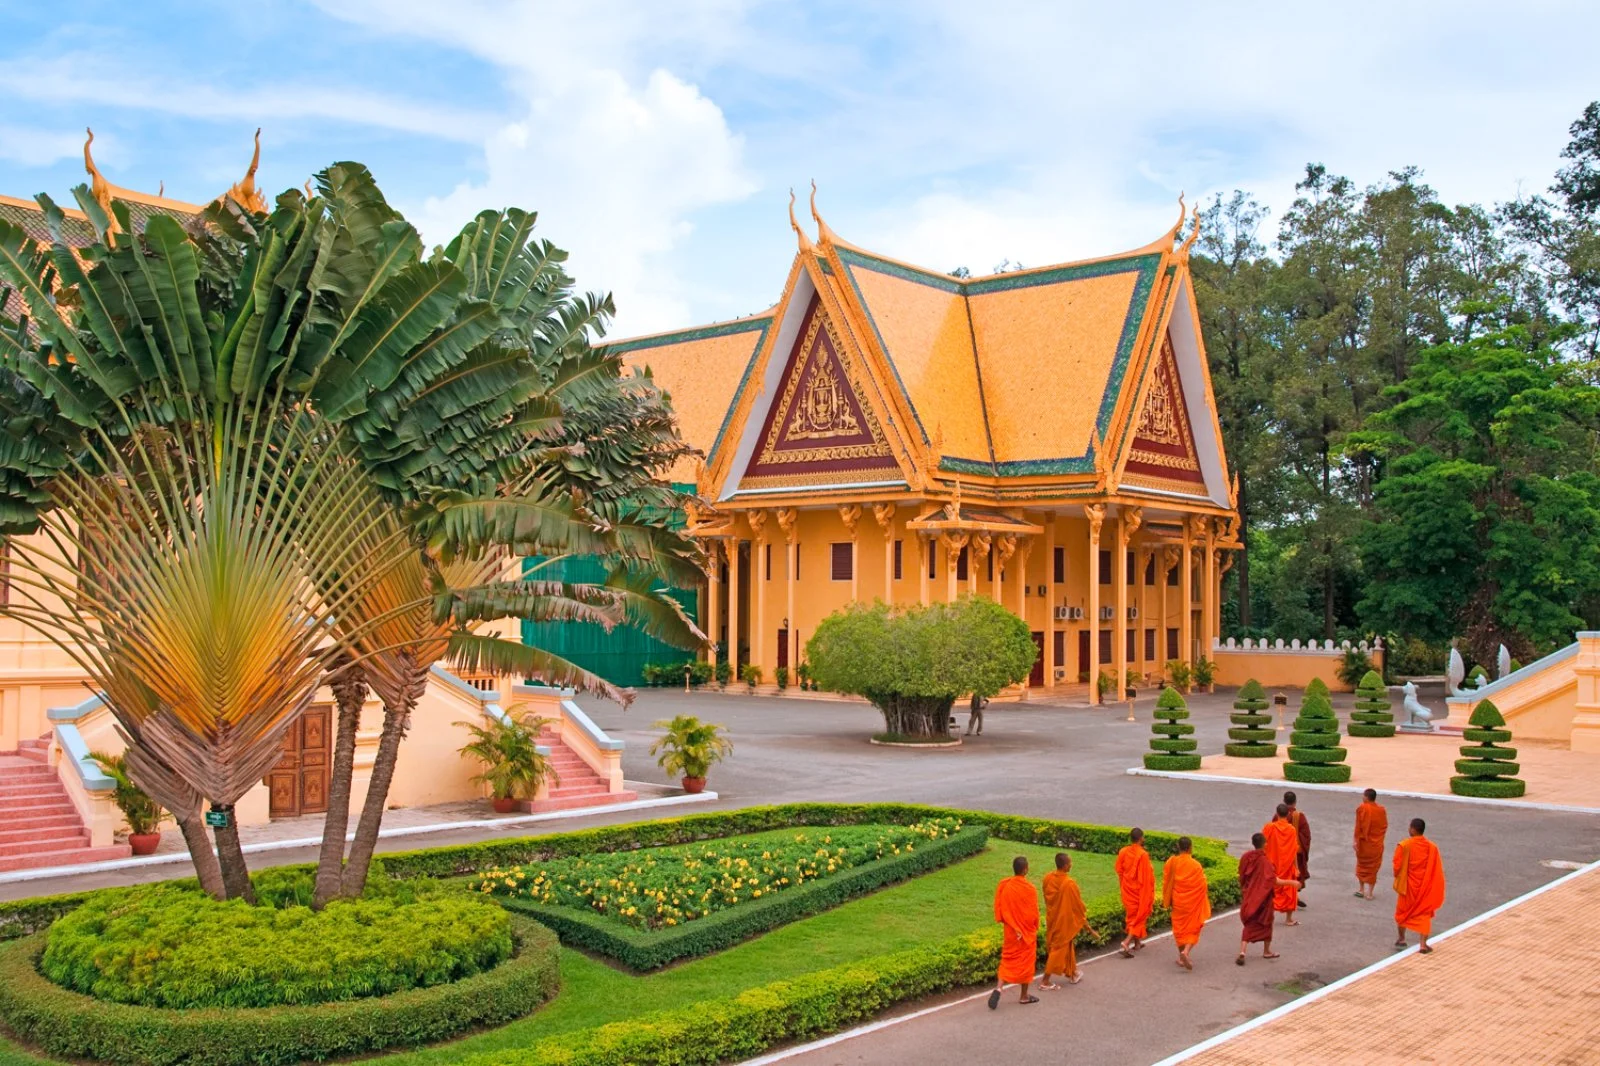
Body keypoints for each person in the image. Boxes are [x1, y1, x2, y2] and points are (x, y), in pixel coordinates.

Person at [989, 855, 1041, 1007]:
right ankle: (1024, 996)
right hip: (1025, 933)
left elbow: (1000, 908)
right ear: (1025, 870)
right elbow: (1033, 912)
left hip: (1011, 931)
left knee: (1008, 959)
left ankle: (999, 988)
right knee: (1026, 962)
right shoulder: (1029, 888)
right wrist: (1034, 926)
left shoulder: (1005, 885)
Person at [1041, 853, 1096, 988]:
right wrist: (1087, 926)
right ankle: (1045, 981)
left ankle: (1073, 973)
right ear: (1065, 865)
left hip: (1053, 918)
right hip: (1063, 920)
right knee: (1057, 949)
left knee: (1066, 946)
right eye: (1070, 863)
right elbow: (1078, 906)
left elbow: (1048, 898)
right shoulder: (1069, 883)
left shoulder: (1047, 878)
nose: (1071, 865)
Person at [1393, 817, 1446, 954]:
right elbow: (1436, 868)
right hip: (1424, 887)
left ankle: (1401, 938)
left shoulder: (1404, 845)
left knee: (1402, 913)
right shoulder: (1432, 847)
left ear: (1413, 829)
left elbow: (1397, 866)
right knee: (1424, 914)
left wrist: (1399, 876)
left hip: (1408, 887)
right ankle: (1423, 944)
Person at [1161, 836, 1211, 971]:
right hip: (1192, 903)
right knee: (1194, 927)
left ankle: (1180, 956)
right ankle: (1186, 951)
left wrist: (1167, 898)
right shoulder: (1195, 865)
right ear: (1190, 848)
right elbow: (1202, 885)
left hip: (1178, 901)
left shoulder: (1171, 862)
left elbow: (1167, 880)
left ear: (1178, 847)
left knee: (1179, 929)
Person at [1236, 832, 1282, 965]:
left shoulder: (1247, 857)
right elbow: (1273, 880)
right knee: (1266, 923)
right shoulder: (1264, 861)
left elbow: (1242, 875)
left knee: (1250, 925)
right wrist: (1292, 883)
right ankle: (1267, 951)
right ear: (1265, 844)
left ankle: (1242, 952)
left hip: (1250, 895)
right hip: (1262, 899)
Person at [1114, 827, 1155, 958]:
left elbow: (1119, 869)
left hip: (1127, 889)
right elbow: (1146, 877)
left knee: (1133, 916)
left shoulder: (1123, 851)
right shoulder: (1143, 855)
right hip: (1138, 891)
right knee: (1139, 916)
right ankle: (1126, 943)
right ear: (1141, 838)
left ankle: (1137, 943)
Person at [1262, 804, 1300, 926]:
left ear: (1277, 814)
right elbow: (1294, 850)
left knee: (1270, 891)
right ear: (1288, 814)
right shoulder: (1291, 830)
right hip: (1288, 866)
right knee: (1290, 891)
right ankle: (1288, 919)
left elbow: (1262, 845)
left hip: (1272, 864)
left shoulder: (1269, 827)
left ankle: (1266, 917)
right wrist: (1297, 868)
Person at [1353, 789, 1389, 900]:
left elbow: (1358, 826)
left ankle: (1361, 889)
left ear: (1367, 797)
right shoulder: (1381, 810)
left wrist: (1355, 840)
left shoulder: (1362, 808)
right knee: (1373, 868)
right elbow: (1384, 826)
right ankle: (1369, 893)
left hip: (1364, 844)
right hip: (1375, 844)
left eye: (1363, 795)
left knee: (1362, 866)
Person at [1284, 790, 1311, 906]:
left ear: (1284, 802)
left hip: (1282, 851)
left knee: (1284, 873)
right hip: (1295, 851)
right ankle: (1293, 896)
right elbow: (1306, 836)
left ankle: (1291, 896)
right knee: (1295, 873)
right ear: (1295, 803)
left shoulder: (1279, 815)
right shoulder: (1299, 816)